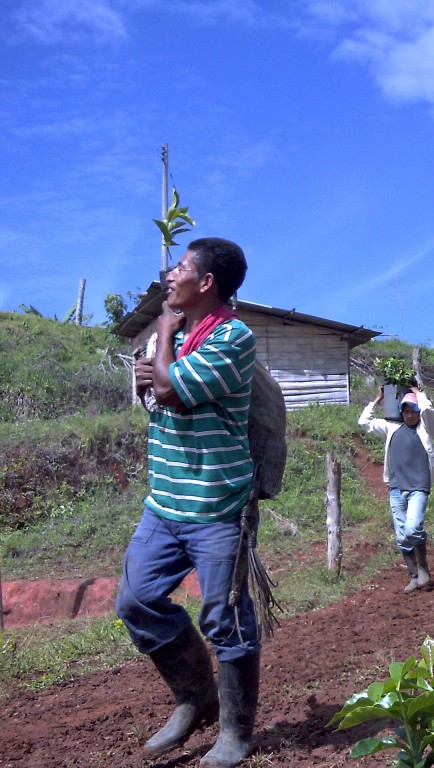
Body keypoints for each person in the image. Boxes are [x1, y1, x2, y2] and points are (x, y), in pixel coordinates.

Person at [116, 237, 261, 768]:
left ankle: (236, 732)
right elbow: (155, 391)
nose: (169, 275)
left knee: (226, 618)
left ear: (206, 284)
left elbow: (171, 390)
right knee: (135, 601)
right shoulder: (182, 337)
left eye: (180, 268)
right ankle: (195, 696)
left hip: (218, 505)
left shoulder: (232, 338)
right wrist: (155, 371)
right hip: (165, 502)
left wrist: (161, 338)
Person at [359, 385, 434, 593]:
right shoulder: (392, 428)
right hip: (396, 488)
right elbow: (364, 422)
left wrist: (419, 394)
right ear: (401, 412)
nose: (409, 415)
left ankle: (424, 567)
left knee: (413, 527)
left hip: (418, 488)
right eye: (405, 411)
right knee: (401, 537)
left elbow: (429, 412)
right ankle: (414, 575)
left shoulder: (426, 429)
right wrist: (378, 399)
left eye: (413, 410)